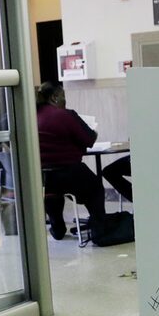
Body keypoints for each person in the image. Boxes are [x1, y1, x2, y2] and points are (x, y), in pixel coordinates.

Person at [36, 81, 106, 239]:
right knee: (95, 189)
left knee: (53, 193)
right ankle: (99, 230)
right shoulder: (64, 115)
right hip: (69, 172)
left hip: (41, 177)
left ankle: (57, 228)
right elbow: (88, 139)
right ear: (54, 97)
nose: (64, 101)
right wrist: (93, 133)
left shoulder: (31, 115)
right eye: (63, 97)